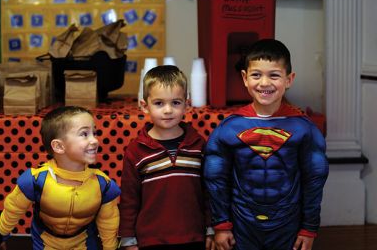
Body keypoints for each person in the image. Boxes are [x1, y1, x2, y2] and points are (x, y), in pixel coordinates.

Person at [204, 39, 329, 250]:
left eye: (274, 75)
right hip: (241, 221)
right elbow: (216, 179)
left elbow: (314, 180)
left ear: (289, 79)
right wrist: (221, 225)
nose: (264, 83)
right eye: (256, 75)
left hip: (288, 220)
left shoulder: (304, 129)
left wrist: (309, 228)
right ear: (244, 78)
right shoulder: (229, 128)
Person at [0, 106, 121, 250]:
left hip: (83, 243)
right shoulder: (35, 180)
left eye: (94, 133)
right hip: (45, 242)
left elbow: (108, 222)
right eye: (84, 134)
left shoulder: (104, 185)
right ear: (58, 146)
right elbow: (13, 210)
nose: (95, 140)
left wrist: (111, 248)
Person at [119, 65, 214, 250]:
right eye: (159, 103)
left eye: (176, 103)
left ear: (187, 105)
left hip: (194, 236)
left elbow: (208, 192)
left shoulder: (198, 144)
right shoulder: (136, 150)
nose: (168, 110)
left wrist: (211, 227)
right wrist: (128, 239)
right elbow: (129, 198)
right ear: (144, 106)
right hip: (151, 240)